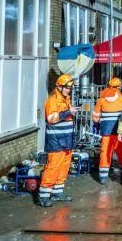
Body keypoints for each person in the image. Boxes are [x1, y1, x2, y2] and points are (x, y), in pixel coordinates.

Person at [38, 74, 77, 207]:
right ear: (59, 87)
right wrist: (68, 112)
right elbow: (51, 118)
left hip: (66, 141)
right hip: (56, 141)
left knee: (63, 167)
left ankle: (57, 193)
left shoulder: (66, 100)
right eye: (67, 88)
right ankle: (43, 196)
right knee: (53, 167)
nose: (69, 90)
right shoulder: (52, 100)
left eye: (70, 88)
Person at [93, 77, 122, 184]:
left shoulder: (101, 99)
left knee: (105, 152)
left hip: (105, 132)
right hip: (119, 132)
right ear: (119, 87)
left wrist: (97, 126)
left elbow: (95, 117)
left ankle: (103, 176)